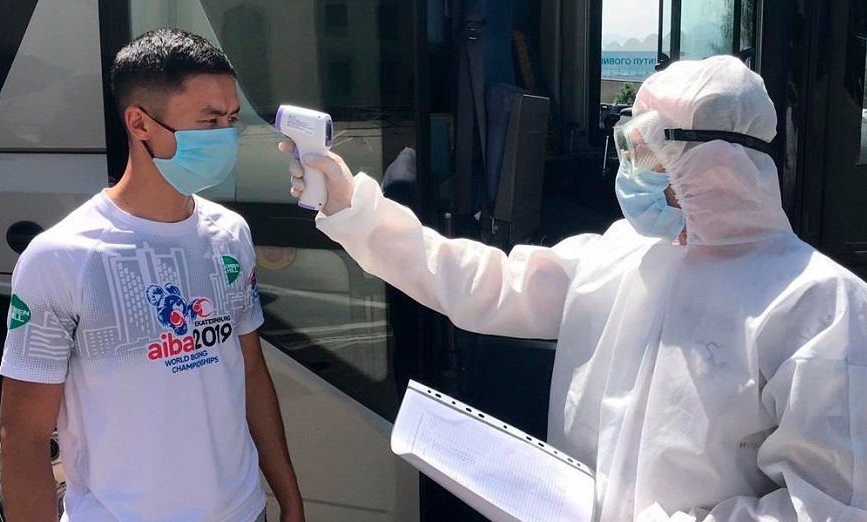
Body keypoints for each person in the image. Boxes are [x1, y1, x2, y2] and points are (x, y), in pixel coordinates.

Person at [284, 55, 867, 521]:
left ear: (715, 161)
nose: (630, 169)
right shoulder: (620, 253)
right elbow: (483, 284)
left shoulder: (819, 305)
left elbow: (827, 505)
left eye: (646, 150)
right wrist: (355, 209)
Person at [0, 28, 304, 522]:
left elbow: (250, 374)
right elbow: (24, 438)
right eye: (208, 121)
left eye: (231, 120)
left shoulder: (230, 234)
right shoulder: (59, 258)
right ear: (139, 123)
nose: (225, 137)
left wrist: (290, 500)